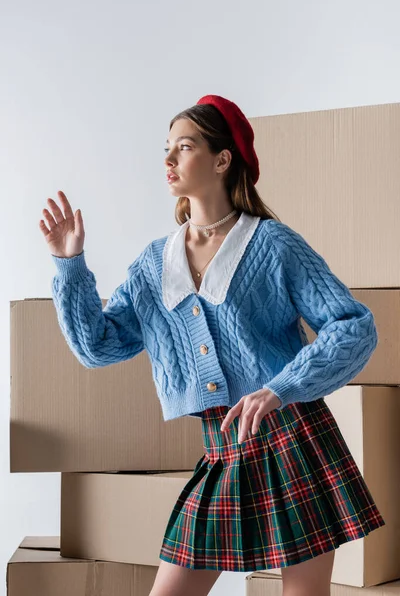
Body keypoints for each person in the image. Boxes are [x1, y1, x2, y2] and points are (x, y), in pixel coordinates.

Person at [39, 94, 385, 596]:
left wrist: (281, 387)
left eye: (184, 146)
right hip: (222, 448)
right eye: (167, 148)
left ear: (223, 159)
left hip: (294, 437)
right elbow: (99, 346)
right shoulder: (154, 264)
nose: (169, 160)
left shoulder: (274, 245)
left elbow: (353, 325)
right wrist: (69, 265)